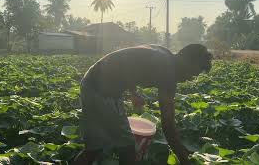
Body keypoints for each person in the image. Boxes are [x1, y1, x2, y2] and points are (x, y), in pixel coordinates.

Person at [73, 44, 213, 165]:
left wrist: (133, 93)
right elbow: (168, 124)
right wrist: (184, 158)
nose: (190, 78)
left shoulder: (164, 54)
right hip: (101, 90)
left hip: (92, 81)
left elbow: (129, 62)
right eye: (193, 74)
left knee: (95, 147)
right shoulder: (168, 71)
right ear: (186, 60)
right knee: (127, 146)